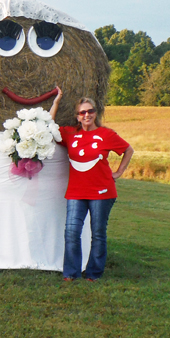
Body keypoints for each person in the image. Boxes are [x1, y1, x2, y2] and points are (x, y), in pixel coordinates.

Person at [50, 87, 134, 282]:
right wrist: (56, 101)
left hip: (102, 192)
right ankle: (71, 273)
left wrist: (119, 172)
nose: (87, 115)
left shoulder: (107, 134)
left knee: (98, 234)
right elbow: (49, 127)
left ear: (96, 113)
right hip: (76, 192)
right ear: (77, 117)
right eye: (82, 112)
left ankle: (94, 274)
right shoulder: (70, 134)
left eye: (90, 111)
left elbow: (128, 150)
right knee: (71, 232)